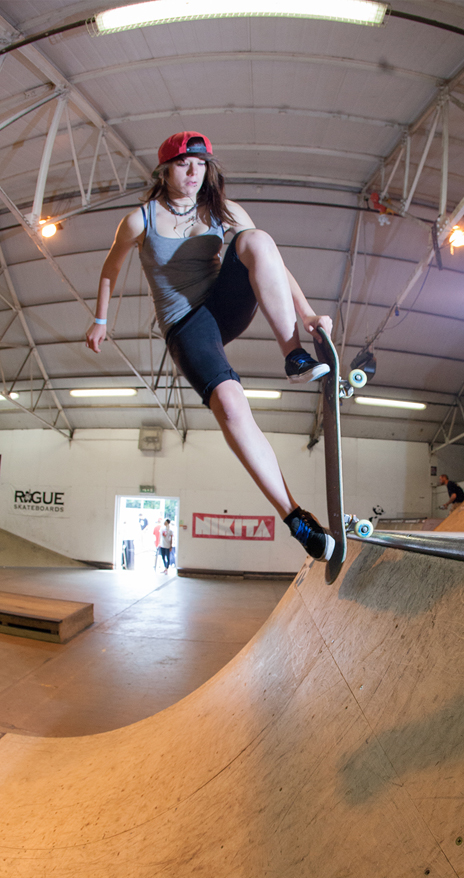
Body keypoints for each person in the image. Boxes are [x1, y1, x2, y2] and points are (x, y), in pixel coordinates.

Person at [86, 131, 334, 561]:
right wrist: (100, 319)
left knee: (257, 239)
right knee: (231, 406)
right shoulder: (139, 220)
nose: (193, 173)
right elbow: (111, 268)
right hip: (185, 325)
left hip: (223, 307)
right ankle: (296, 517)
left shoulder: (222, 209)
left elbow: (271, 262)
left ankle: (293, 355)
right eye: (184, 165)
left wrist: (307, 313)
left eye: (200, 165)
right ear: (164, 171)